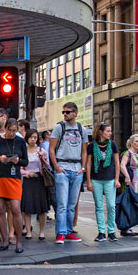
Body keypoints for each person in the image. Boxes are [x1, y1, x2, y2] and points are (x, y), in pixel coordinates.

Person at [0, 118, 28, 253]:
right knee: (0, 209)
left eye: (15, 131)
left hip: (13, 178)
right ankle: (4, 240)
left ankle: (18, 240)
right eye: (10, 130)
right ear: (6, 128)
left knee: (15, 209)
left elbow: (25, 162)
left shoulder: (20, 141)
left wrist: (18, 160)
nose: (13, 133)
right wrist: (0, 158)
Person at [49, 102, 88, 244]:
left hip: (76, 168)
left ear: (75, 113)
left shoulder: (81, 129)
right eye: (63, 112)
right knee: (62, 204)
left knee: (72, 205)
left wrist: (82, 169)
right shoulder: (59, 127)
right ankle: (61, 233)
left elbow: (84, 151)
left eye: (68, 112)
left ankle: (69, 231)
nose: (65, 114)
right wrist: (57, 167)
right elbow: (51, 148)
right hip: (63, 167)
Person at [86, 122, 121, 242]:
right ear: (101, 132)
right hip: (96, 180)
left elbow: (117, 163)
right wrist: (89, 181)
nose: (110, 133)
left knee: (111, 206)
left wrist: (117, 179)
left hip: (110, 179)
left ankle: (111, 231)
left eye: (111, 131)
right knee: (99, 207)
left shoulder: (113, 145)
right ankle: (101, 232)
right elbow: (88, 164)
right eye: (108, 131)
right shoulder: (91, 146)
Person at [20, 129, 49, 241]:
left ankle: (42, 231)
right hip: (28, 180)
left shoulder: (41, 150)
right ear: (27, 138)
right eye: (31, 137)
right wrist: (28, 174)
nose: (33, 139)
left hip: (40, 179)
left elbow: (47, 166)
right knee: (27, 207)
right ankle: (28, 231)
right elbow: (20, 168)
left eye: (35, 137)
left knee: (42, 207)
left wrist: (42, 158)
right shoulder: (24, 152)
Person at [119, 134, 138, 237]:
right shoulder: (127, 153)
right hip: (130, 183)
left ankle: (128, 226)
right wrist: (127, 177)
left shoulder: (136, 155)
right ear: (131, 142)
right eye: (137, 141)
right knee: (127, 204)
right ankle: (125, 228)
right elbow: (122, 165)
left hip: (137, 183)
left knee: (132, 204)